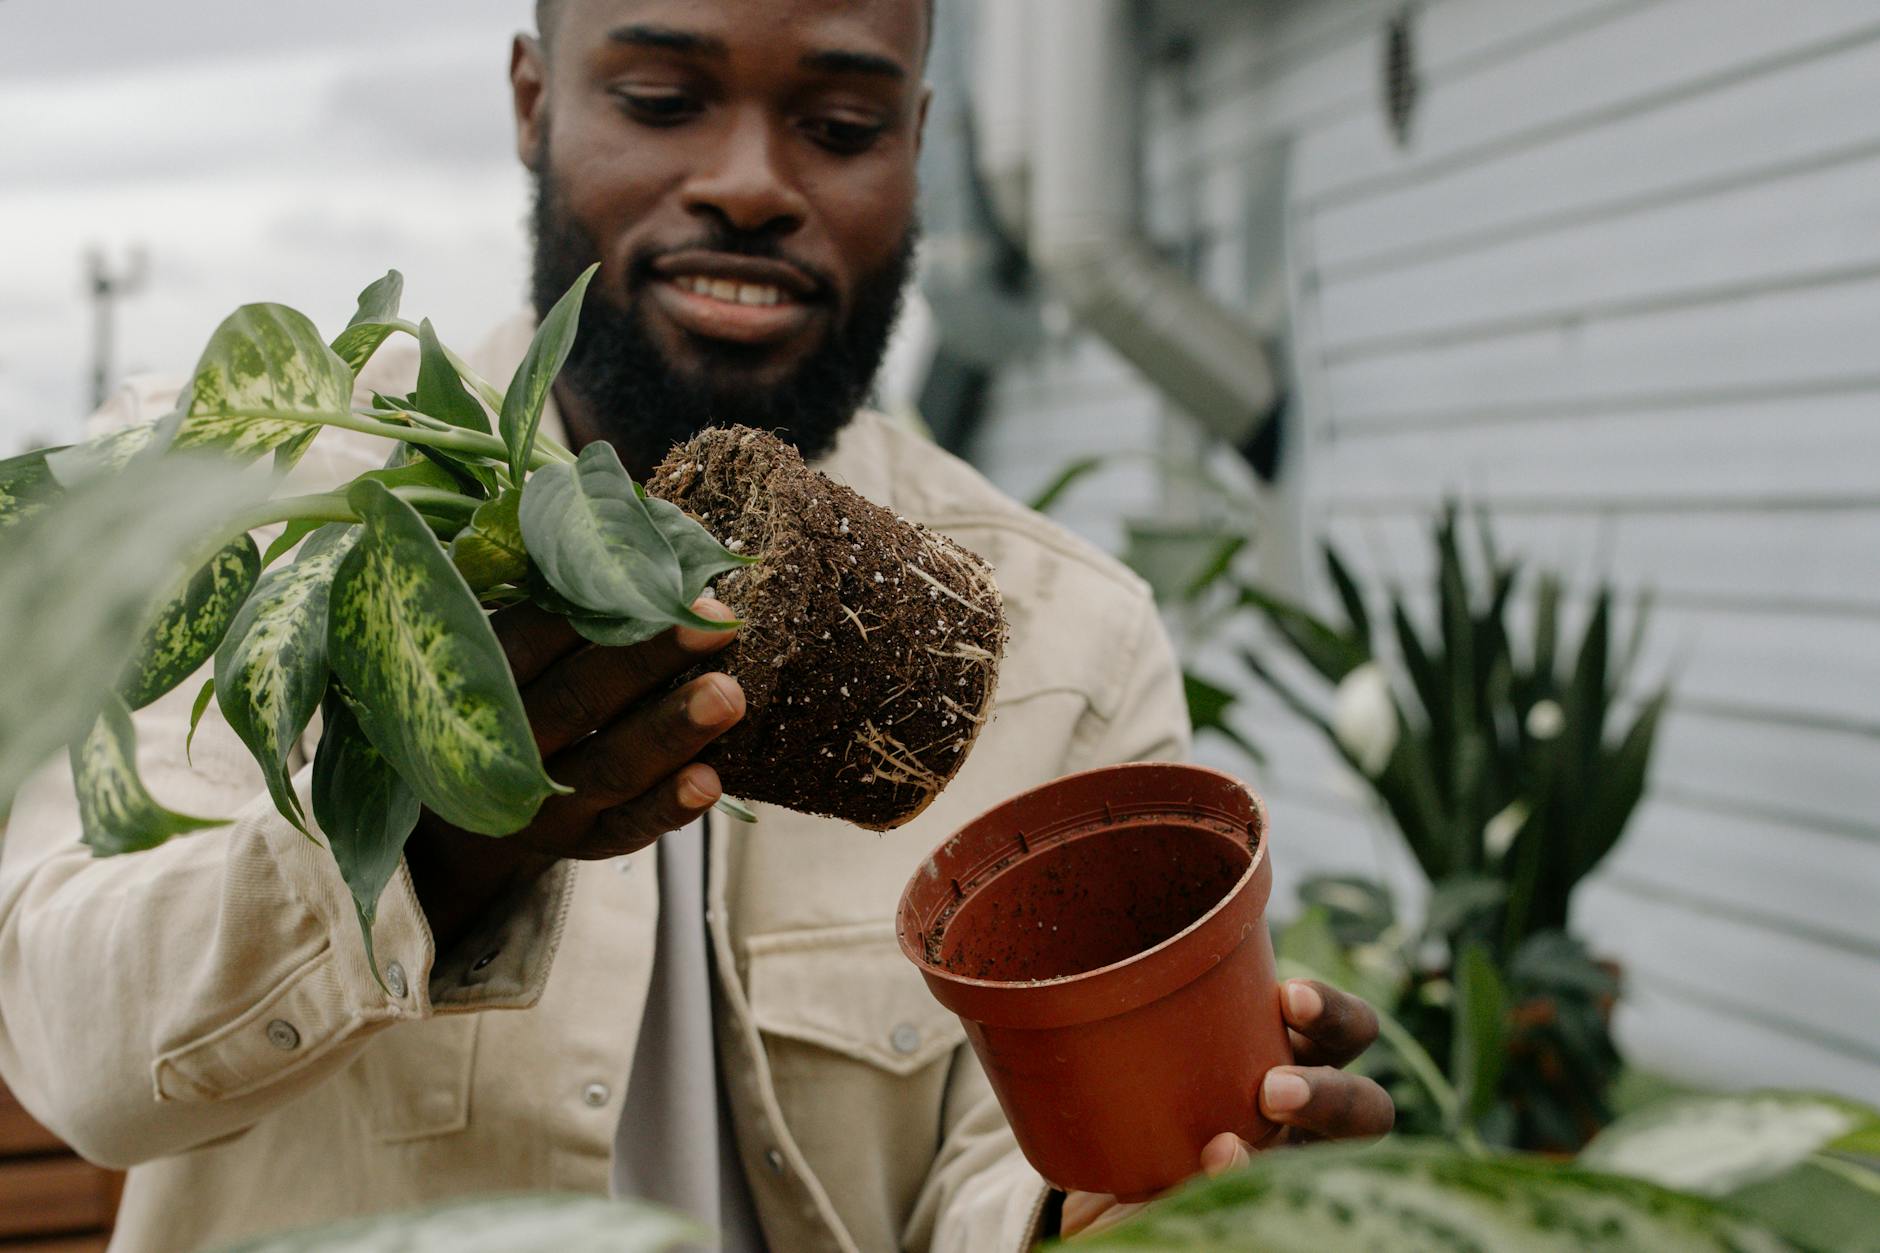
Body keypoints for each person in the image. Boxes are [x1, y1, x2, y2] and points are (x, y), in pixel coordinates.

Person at [0, 2, 1393, 1250]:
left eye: (840, 124)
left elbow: (994, 1179)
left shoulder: (1054, 635)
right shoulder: (271, 512)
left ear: (917, 142)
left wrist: (1100, 1207)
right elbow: (75, 1037)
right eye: (663, 100)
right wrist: (431, 846)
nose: (747, 182)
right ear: (537, 104)